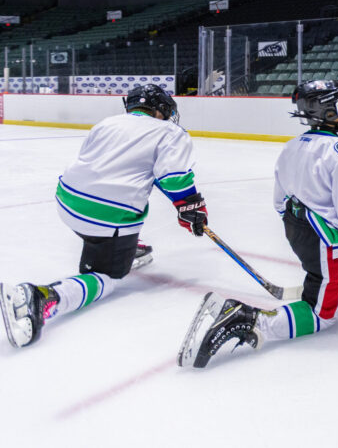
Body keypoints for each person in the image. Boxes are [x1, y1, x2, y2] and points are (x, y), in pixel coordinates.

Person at [178, 80, 338, 368]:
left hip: (297, 230)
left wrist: (303, 225)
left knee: (318, 275)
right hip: (326, 241)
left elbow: (280, 201)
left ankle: (313, 283)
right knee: (324, 313)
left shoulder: (293, 146)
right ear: (327, 112)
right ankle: (246, 318)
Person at [1, 84, 206, 348]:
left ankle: (125, 246)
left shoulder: (107, 123)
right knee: (107, 277)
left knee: (121, 195)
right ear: (161, 109)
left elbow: (97, 165)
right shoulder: (171, 132)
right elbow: (175, 178)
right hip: (105, 218)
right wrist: (191, 207)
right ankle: (44, 296)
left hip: (66, 201)